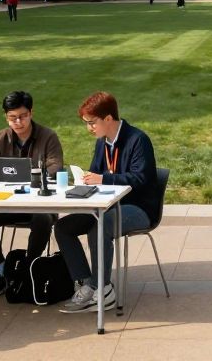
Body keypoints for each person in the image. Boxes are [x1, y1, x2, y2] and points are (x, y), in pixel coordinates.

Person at [56, 92, 158, 313]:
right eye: (87, 123)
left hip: (139, 207)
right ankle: (86, 285)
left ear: (109, 119)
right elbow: (98, 173)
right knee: (63, 227)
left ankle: (102, 289)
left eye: (92, 123)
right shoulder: (102, 143)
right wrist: (86, 180)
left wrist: (103, 179)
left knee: (99, 228)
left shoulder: (138, 140)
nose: (89, 128)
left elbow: (141, 179)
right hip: (107, 205)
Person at [0, 91, 63, 296]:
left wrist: (29, 176)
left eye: (22, 116)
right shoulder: (1, 137)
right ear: (6, 117)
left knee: (43, 220)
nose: (18, 122)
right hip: (8, 203)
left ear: (31, 113)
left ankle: (29, 266)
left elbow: (56, 167)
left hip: (39, 204)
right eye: (12, 117)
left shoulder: (48, 136)